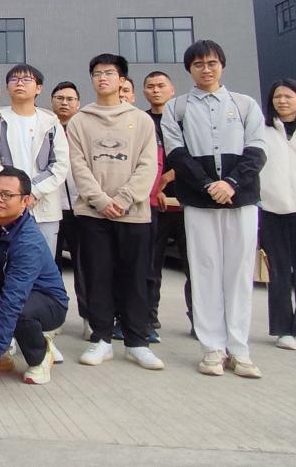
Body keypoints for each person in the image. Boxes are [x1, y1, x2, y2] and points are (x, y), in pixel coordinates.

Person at [161, 40, 267, 378]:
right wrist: (208, 185)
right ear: (189, 69)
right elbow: (177, 154)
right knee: (205, 271)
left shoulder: (244, 104)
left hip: (241, 200)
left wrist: (231, 183)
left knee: (239, 273)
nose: (206, 70)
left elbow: (257, 150)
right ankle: (212, 348)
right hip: (199, 202)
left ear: (222, 65)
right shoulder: (177, 107)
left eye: (212, 63)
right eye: (198, 64)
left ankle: (239, 349)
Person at [68, 53, 162, 370]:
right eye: (97, 73)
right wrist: (100, 200)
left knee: (135, 277)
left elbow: (148, 165)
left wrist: (123, 199)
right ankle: (102, 339)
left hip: (133, 213)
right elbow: (78, 166)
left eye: (109, 73)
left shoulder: (141, 120)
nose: (102, 78)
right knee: (98, 276)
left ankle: (137, 342)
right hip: (93, 214)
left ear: (122, 80)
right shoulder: (81, 121)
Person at [0, 167, 70, 385]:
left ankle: (41, 355)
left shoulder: (28, 242)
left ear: (25, 201)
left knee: (19, 310)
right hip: (9, 290)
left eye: (7, 195)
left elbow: (13, 299)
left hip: (48, 302)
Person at [258, 78, 296, 352]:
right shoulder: (262, 131)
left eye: (288, 96)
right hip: (273, 209)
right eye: (277, 97)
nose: (282, 101)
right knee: (279, 270)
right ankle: (283, 328)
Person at [0, 64, 68, 254]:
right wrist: (14, 195)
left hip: (44, 206)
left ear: (38, 88)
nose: (19, 83)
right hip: (6, 205)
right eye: (14, 79)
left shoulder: (51, 122)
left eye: (26, 79)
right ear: (7, 87)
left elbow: (60, 165)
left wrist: (33, 193)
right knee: (6, 261)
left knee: (43, 261)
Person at [143, 70, 192, 342]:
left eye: (161, 85)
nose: (156, 90)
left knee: (193, 267)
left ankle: (199, 319)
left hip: (186, 202)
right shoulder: (142, 121)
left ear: (172, 90)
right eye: (150, 86)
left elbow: (192, 154)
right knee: (151, 265)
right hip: (153, 204)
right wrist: (155, 189)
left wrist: (168, 178)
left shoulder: (184, 121)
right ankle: (149, 317)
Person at [50, 81, 86, 335]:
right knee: (51, 266)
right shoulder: (45, 125)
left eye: (70, 99)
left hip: (81, 207)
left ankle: (89, 317)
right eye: (60, 98)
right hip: (51, 205)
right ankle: (54, 318)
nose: (65, 103)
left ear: (78, 104)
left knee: (85, 265)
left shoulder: (84, 128)